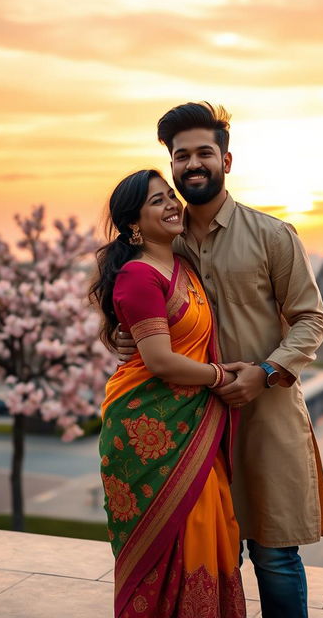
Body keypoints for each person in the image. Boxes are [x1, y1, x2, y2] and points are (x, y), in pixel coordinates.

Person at [117, 103, 323, 618]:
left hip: (267, 416)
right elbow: (137, 310)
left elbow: (312, 319)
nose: (193, 164)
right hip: (192, 422)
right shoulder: (162, 241)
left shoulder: (273, 236)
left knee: (275, 554)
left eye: (204, 153)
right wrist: (125, 341)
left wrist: (264, 373)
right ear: (171, 165)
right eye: (181, 155)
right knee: (210, 557)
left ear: (227, 161)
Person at [90, 169, 246, 618]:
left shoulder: (182, 266)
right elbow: (158, 360)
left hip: (190, 422)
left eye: (170, 196)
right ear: (134, 223)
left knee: (206, 525)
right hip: (148, 429)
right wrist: (220, 377)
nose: (172, 204)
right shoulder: (139, 276)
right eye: (157, 201)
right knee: (176, 535)